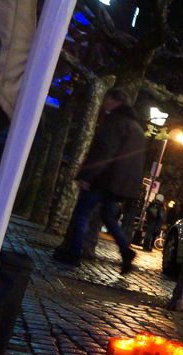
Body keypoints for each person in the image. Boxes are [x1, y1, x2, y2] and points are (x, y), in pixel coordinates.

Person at [53, 88, 144, 274]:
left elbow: (104, 152)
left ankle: (74, 254)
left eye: (108, 100)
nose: (105, 104)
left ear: (115, 101)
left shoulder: (115, 122)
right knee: (109, 218)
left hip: (102, 179)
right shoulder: (136, 127)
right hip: (119, 184)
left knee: (81, 214)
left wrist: (87, 176)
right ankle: (125, 251)